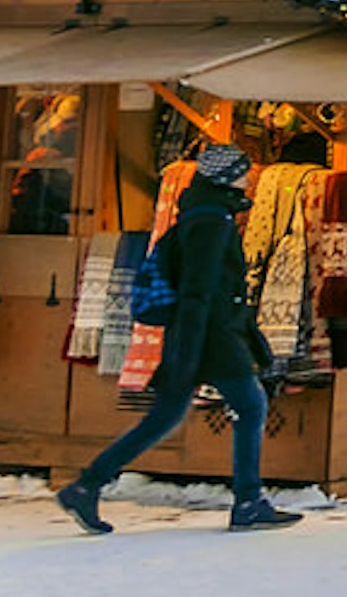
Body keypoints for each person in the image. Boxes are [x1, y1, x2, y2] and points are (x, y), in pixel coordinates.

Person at [57, 141, 293, 539]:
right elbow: (200, 290)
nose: (249, 177)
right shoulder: (211, 221)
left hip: (201, 334)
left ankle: (87, 485)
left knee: (165, 416)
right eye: (242, 171)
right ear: (225, 177)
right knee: (251, 405)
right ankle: (249, 502)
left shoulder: (203, 213)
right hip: (211, 336)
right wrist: (193, 349)